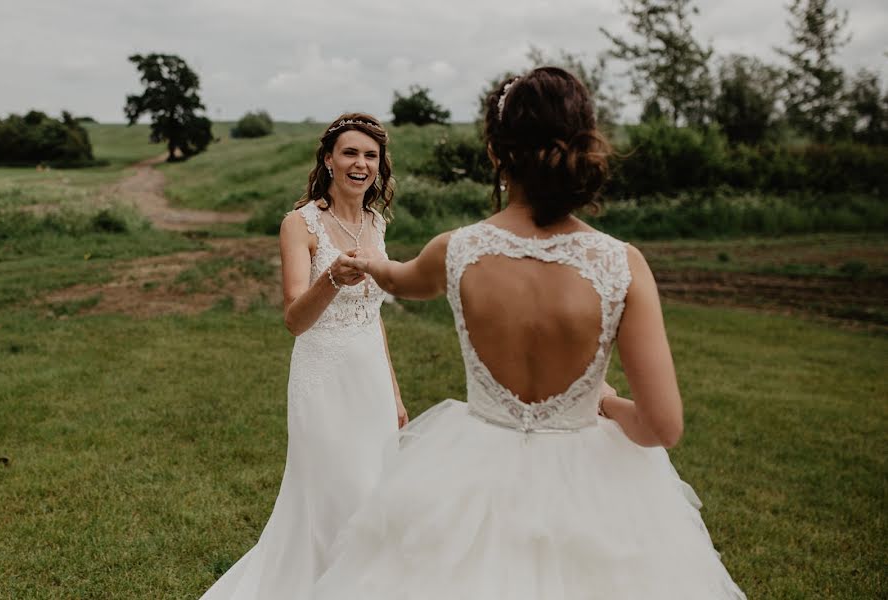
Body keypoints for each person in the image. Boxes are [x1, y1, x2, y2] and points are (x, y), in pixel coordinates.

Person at [313, 69, 745, 599]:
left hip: (471, 474)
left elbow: (399, 277)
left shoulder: (458, 250)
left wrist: (367, 263)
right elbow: (661, 427)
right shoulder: (620, 264)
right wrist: (605, 403)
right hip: (592, 488)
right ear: (586, 145)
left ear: (497, 153)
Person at [200, 113, 408, 599]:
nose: (360, 164)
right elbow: (295, 318)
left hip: (371, 382)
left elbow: (374, 317)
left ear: (380, 167)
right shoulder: (301, 224)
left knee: (374, 493)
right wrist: (332, 277)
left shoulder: (376, 224)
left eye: (370, 156)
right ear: (328, 160)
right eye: (350, 153)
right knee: (337, 493)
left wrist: (395, 394)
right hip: (323, 378)